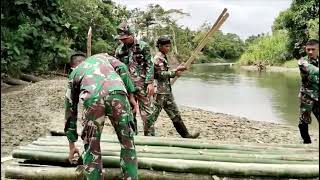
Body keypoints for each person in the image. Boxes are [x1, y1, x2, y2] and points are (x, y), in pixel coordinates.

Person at [64, 53, 138, 179]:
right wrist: (131, 96)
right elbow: (122, 67)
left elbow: (70, 111)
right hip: (117, 92)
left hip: (93, 98)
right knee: (127, 143)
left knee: (92, 147)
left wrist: (72, 145)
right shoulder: (102, 57)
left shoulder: (74, 73)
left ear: (72, 67)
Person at [152, 36, 200, 138]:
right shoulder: (157, 59)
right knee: (152, 116)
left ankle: (186, 135)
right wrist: (175, 72)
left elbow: (167, 73)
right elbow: (160, 74)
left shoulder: (164, 57)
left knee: (175, 114)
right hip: (160, 92)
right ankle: (148, 136)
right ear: (160, 46)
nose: (168, 48)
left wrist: (176, 71)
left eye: (169, 46)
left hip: (167, 92)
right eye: (166, 46)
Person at [115, 22, 156, 136]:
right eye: (121, 39)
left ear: (132, 35)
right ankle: (133, 137)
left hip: (142, 86)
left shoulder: (143, 46)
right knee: (129, 113)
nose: (123, 41)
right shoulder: (119, 50)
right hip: (127, 87)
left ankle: (150, 138)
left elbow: (149, 64)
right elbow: (117, 69)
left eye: (125, 38)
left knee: (148, 114)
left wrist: (150, 83)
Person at [297, 39, 319, 144]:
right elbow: (314, 71)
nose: (310, 52)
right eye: (308, 49)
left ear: (318, 49)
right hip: (307, 96)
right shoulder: (302, 61)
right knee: (303, 122)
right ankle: (307, 142)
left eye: (313, 49)